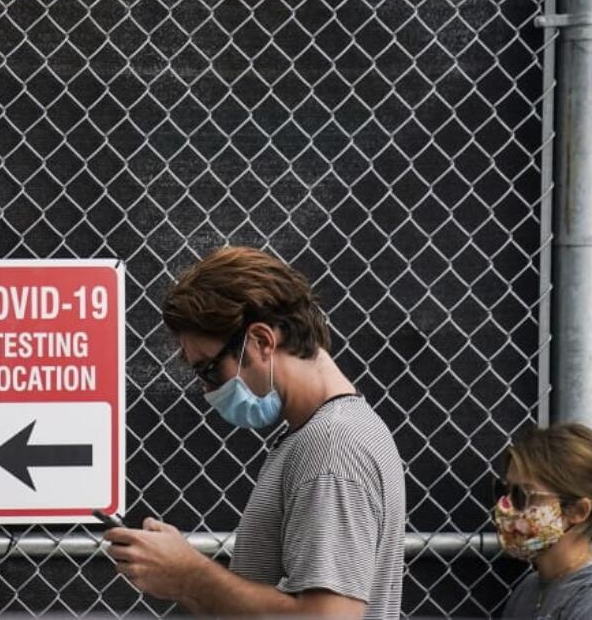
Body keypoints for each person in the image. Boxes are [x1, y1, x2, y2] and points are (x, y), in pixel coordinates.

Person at [105, 246, 405, 618]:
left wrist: (190, 576)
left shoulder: (332, 448)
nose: (209, 391)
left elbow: (328, 616)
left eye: (210, 370)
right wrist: (179, 574)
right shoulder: (330, 433)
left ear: (262, 341)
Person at [496, 423, 592, 619]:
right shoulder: (530, 588)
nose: (506, 505)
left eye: (522, 495)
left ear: (578, 510)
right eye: (503, 491)